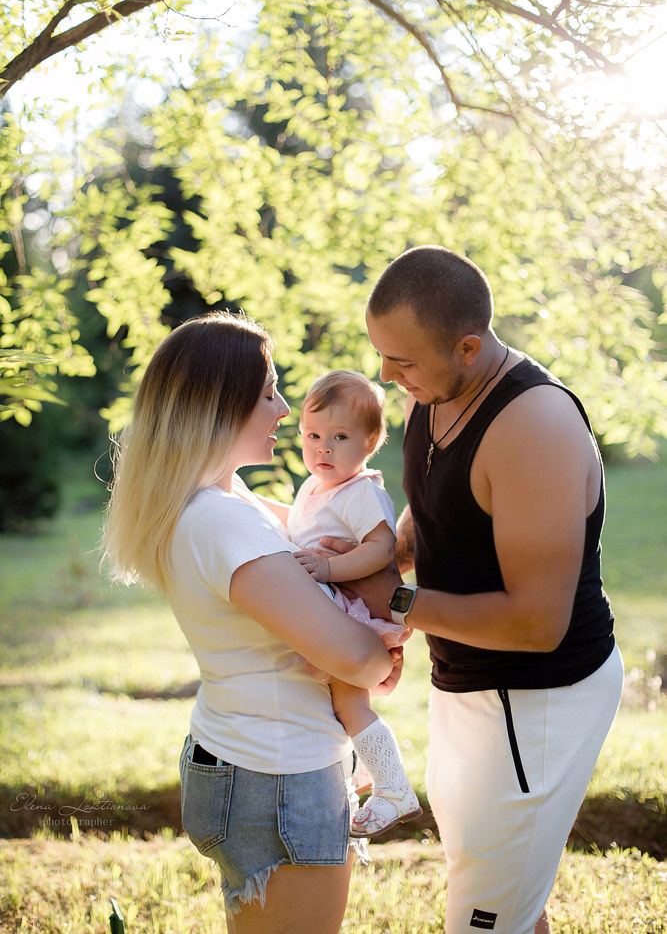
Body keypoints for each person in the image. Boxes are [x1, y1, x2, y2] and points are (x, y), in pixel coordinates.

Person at [327, 245, 623, 934]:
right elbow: (438, 506)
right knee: (501, 892)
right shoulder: (433, 392)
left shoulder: (534, 427)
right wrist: (382, 557)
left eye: (402, 361)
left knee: (483, 918)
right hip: (466, 683)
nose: (386, 375)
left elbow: (537, 624)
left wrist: (394, 600)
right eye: (381, 355)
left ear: (467, 347)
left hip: (537, 701)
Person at [102, 311, 397, 934]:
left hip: (254, 758)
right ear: (219, 407)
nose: (285, 411)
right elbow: (359, 660)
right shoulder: (223, 521)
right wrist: (383, 648)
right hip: (277, 774)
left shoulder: (223, 501)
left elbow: (329, 538)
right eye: (268, 394)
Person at [286, 370, 421, 837]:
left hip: (355, 614)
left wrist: (328, 569)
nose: (323, 448)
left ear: (370, 443)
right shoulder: (312, 487)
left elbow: (381, 550)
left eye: (339, 437)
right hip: (333, 610)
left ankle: (394, 788)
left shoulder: (362, 491)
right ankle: (364, 765)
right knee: (337, 702)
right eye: (313, 435)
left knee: (350, 702)